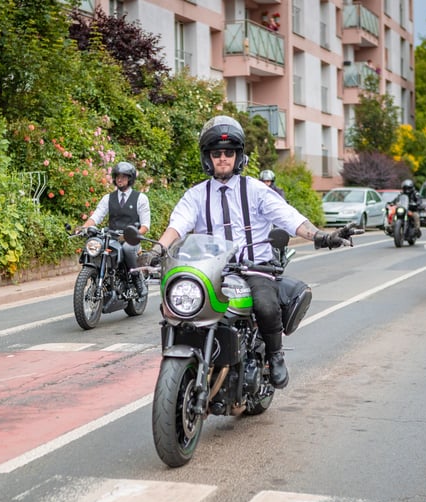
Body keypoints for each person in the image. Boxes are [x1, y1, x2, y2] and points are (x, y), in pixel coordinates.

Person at [152, 115, 355, 390]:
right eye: (216, 153)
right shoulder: (196, 195)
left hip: (254, 268)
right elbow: (177, 226)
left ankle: (275, 355)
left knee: (266, 305)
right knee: (179, 304)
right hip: (212, 270)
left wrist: (322, 235)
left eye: (229, 153)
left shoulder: (256, 191)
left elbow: (289, 218)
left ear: (238, 156)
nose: (223, 158)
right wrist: (157, 249)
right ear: (207, 158)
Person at [79, 161, 151, 297]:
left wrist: (134, 235)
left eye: (123, 176)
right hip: (112, 238)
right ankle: (101, 277)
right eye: (117, 176)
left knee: (127, 249)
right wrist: (83, 228)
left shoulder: (140, 198)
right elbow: (96, 216)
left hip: (131, 239)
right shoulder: (108, 198)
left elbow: (145, 225)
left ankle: (137, 278)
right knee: (97, 246)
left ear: (130, 178)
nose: (119, 179)